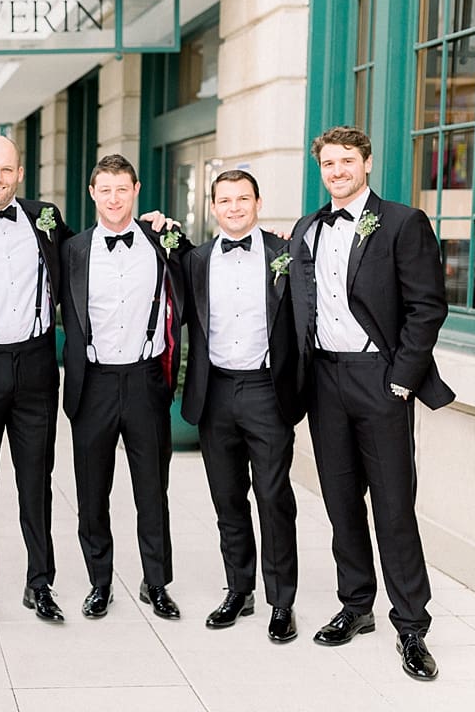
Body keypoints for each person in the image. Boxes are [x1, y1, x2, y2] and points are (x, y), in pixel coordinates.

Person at [289, 125, 453, 681]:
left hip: (380, 380)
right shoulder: (306, 228)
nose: (336, 171)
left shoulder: (403, 223)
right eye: (327, 164)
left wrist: (401, 379)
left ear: (366, 161)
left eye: (345, 161)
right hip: (325, 382)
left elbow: (427, 307)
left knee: (393, 507)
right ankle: (356, 606)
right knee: (340, 502)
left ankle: (411, 626)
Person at [60, 154, 188, 622]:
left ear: (136, 190)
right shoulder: (72, 249)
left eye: (122, 189)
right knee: (92, 493)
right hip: (91, 382)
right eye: (105, 190)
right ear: (92, 194)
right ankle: (100, 582)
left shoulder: (162, 243)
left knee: (152, 490)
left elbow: (201, 274)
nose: (114, 198)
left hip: (144, 380)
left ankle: (156, 583)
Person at [180, 169, 303, 643]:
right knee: (227, 499)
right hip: (215, 394)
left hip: (266, 392)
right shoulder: (196, 260)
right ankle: (239, 589)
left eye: (242, 199)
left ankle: (281, 601)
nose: (233, 207)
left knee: (274, 498)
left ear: (258, 202)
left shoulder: (284, 254)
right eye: (225, 200)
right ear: (212, 207)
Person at [0, 135, 72, 629]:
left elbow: (85, 256)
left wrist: (155, 232)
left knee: (36, 482)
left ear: (20, 174)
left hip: (36, 367)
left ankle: (39, 582)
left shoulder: (43, 217)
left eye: (6, 170)